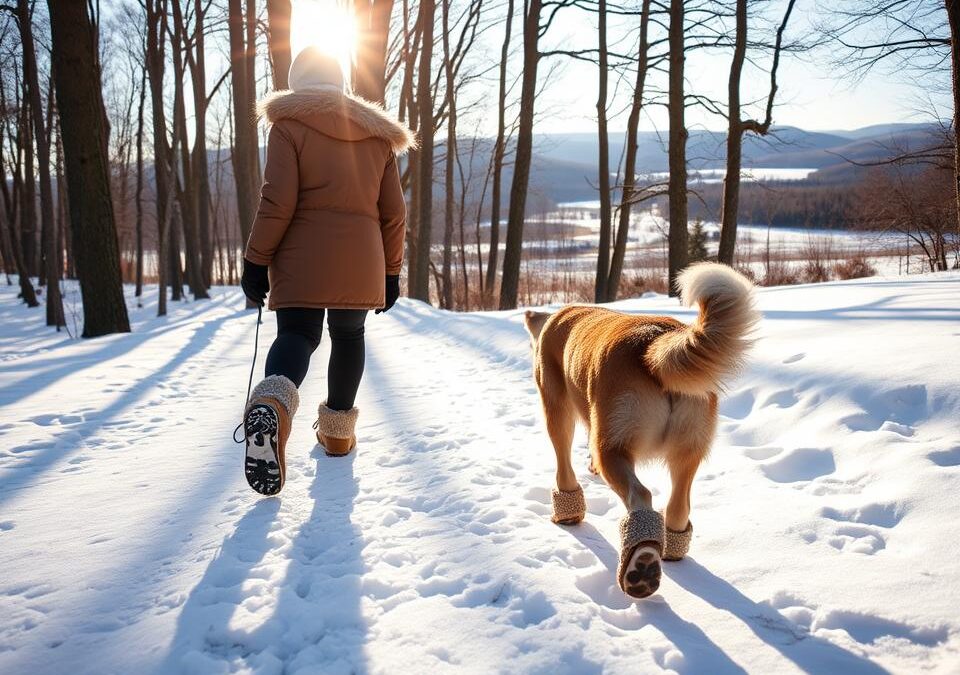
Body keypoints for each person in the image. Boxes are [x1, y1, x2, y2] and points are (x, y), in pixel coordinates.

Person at [239, 47, 415, 496]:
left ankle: (274, 403)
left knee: (297, 335)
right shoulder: (377, 137)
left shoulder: (288, 126)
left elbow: (277, 200)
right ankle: (337, 435)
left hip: (300, 255)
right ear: (340, 84)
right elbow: (393, 214)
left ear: (298, 83)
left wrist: (256, 259)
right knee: (349, 336)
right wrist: (391, 272)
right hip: (361, 258)